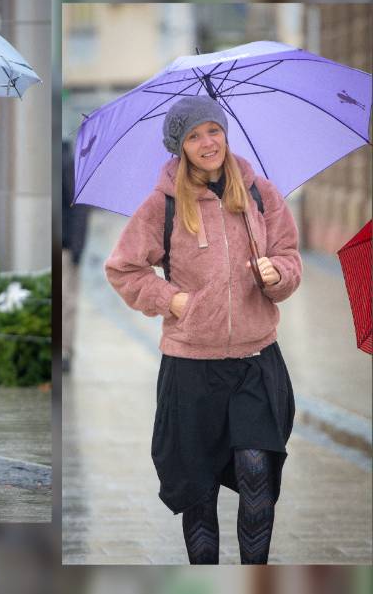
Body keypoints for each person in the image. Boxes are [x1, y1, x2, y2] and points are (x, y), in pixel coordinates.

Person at [105, 96, 300, 564]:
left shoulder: (260, 194)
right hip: (191, 367)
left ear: (225, 132)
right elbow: (123, 269)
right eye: (194, 136)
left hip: (255, 362)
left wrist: (279, 275)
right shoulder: (162, 205)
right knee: (199, 490)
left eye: (213, 130)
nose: (207, 142)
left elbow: (291, 257)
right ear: (180, 146)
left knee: (257, 473)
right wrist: (173, 301)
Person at [61, 136, 91, 371]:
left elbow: (78, 207)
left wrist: (77, 247)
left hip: (65, 247)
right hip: (63, 245)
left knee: (66, 300)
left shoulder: (68, 161)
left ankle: (64, 351)